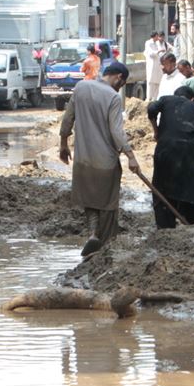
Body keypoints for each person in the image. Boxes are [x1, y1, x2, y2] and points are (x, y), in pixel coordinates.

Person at [58, 60, 146, 257]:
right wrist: (131, 156)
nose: (120, 88)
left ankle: (92, 233)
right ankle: (105, 246)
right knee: (107, 204)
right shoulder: (113, 97)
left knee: (89, 198)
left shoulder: (80, 87)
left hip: (83, 158)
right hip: (105, 161)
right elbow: (117, 132)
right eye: (121, 84)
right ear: (118, 78)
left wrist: (63, 144)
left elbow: (67, 119)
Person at [146, 84, 194, 228]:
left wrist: (156, 131)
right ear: (192, 99)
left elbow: (151, 108)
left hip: (164, 151)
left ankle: (165, 226)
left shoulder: (166, 100)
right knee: (193, 189)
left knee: (162, 188)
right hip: (188, 152)